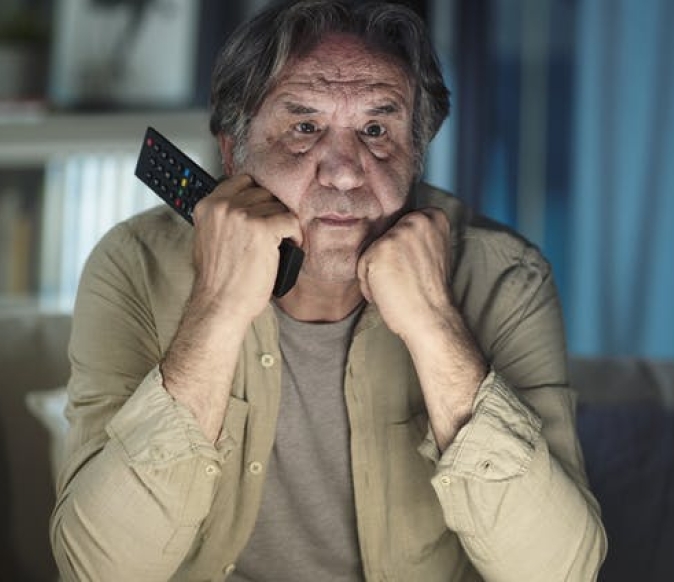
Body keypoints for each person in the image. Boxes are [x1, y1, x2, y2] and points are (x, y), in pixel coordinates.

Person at [50, 0, 607, 580]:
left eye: (375, 130)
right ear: (234, 150)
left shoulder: (506, 277)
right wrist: (216, 310)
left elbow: (557, 572)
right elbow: (98, 569)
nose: (343, 171)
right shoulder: (133, 264)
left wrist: (436, 327)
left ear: (416, 153)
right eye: (305, 128)